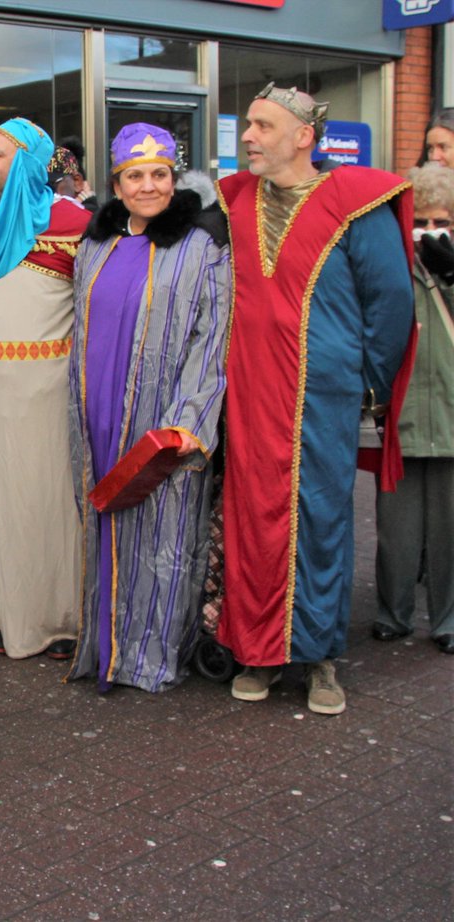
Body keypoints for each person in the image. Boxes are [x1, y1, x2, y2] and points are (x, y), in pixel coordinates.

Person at [216, 83, 414, 715]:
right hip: (248, 392)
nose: (247, 136)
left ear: (303, 137)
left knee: (321, 521)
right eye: (248, 124)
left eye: (262, 126)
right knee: (251, 519)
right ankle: (259, 652)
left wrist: (363, 384)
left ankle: (320, 656)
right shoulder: (234, 202)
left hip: (320, 394)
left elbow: (391, 306)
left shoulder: (357, 205)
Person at [66, 123, 231, 692]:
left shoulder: (202, 248)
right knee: (105, 526)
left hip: (162, 423)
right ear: (117, 183)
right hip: (98, 414)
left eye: (159, 174)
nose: (148, 186)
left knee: (159, 533)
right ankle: (103, 649)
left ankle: (149, 658)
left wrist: (188, 422)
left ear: (174, 177)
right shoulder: (95, 244)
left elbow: (213, 339)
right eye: (135, 176)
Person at [0, 118, 90, 659]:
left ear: (29, 164)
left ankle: (58, 618)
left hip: (49, 391)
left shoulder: (75, 223)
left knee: (48, 503)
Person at [373, 162, 454, 654]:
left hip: (450, 416)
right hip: (402, 416)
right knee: (395, 529)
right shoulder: (393, 265)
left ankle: (447, 619)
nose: (429, 231)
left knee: (450, 531)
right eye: (420, 221)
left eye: (440, 220)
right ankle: (392, 613)